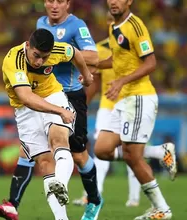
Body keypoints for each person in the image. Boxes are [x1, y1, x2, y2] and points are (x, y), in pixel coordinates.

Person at [0, 1, 103, 220]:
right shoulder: (13, 60)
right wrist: (60, 111)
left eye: (45, 57)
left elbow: (76, 54)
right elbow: (26, 98)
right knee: (44, 164)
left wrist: (88, 76)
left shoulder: (57, 47)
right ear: (27, 46)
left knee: (60, 141)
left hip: (54, 94)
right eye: (36, 55)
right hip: (25, 109)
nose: (40, 61)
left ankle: (61, 186)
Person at [73, 12, 177, 208]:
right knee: (103, 150)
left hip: (134, 98)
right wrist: (95, 69)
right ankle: (157, 153)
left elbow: (149, 62)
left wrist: (121, 81)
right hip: (112, 104)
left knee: (132, 153)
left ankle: (140, 200)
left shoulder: (135, 28)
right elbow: (113, 65)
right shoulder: (107, 41)